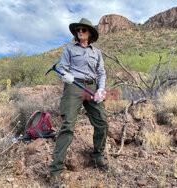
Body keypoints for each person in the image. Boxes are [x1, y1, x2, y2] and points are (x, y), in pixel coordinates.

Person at [49, 18, 109, 185]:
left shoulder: (97, 53)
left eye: (83, 29)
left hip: (92, 87)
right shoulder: (69, 49)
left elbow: (101, 72)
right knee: (67, 125)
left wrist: (101, 89)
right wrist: (64, 75)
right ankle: (55, 171)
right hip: (73, 87)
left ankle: (98, 158)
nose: (80, 32)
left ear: (89, 33)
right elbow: (62, 69)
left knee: (102, 123)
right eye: (78, 30)